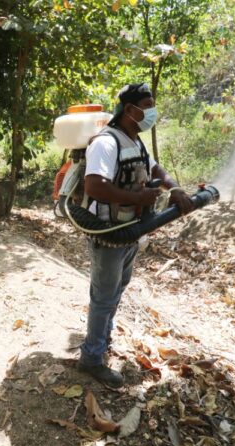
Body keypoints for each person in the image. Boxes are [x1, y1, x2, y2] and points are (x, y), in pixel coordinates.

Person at [78, 83, 194, 388]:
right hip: (108, 232)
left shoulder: (136, 142)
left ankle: (102, 338)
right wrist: (140, 199)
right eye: (147, 105)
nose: (152, 111)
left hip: (130, 231)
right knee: (103, 296)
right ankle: (91, 358)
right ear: (130, 110)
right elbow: (94, 186)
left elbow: (157, 171)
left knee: (118, 288)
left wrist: (175, 188)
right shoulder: (107, 143)